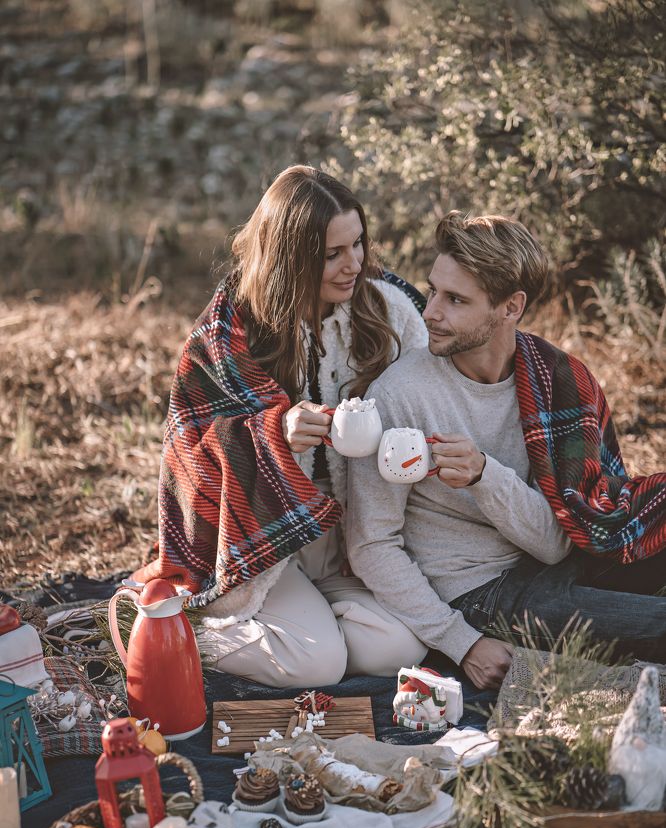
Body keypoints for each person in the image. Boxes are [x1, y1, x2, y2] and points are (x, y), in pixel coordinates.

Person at [133, 165, 428, 687]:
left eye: (358, 244)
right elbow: (190, 457)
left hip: (351, 538)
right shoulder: (228, 334)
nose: (354, 264)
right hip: (265, 542)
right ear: (290, 259)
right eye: (332, 255)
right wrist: (273, 437)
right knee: (318, 665)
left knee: (398, 649)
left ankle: (311, 625)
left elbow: (428, 404)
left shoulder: (390, 313)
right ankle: (167, 633)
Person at [346, 211, 666, 691]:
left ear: (511, 307)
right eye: (433, 291)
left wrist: (484, 475)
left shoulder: (556, 380)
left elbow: (556, 543)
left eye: (455, 299)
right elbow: (371, 545)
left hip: (558, 559)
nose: (430, 312)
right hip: (481, 592)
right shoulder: (399, 395)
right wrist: (462, 642)